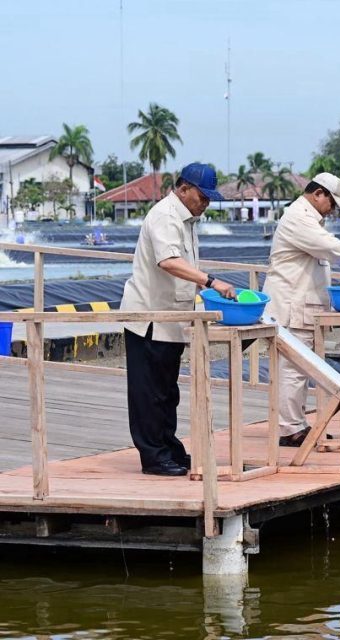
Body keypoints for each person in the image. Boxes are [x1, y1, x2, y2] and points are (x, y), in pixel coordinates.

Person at [121, 163, 236, 476]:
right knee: (149, 391)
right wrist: (211, 282)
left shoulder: (188, 219)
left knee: (168, 391)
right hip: (149, 316)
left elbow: (184, 264)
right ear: (183, 188)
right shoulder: (165, 215)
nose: (206, 203)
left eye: (209, 198)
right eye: (202, 196)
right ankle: (153, 456)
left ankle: (168, 446)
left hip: (173, 316)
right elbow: (169, 261)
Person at [263, 173, 340, 446]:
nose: (333, 209)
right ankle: (290, 429)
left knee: (299, 370)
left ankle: (297, 424)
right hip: (291, 304)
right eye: (332, 203)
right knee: (292, 370)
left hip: (301, 305)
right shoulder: (299, 219)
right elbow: (330, 246)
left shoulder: (308, 219)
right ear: (318, 194)